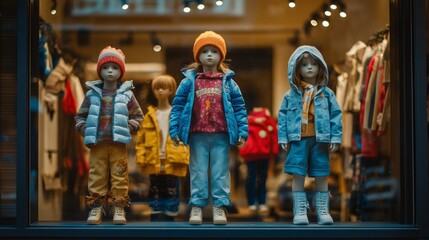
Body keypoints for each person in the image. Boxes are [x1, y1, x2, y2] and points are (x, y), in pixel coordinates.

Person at [169, 31, 248, 225]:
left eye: (214, 51)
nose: (209, 55)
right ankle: (196, 207)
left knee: (221, 172)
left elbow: (239, 107)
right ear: (198, 56)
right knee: (197, 171)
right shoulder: (190, 81)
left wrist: (243, 131)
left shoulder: (228, 82)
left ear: (221, 55)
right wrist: (175, 130)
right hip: (197, 134)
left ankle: (219, 208)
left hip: (221, 135)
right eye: (205, 51)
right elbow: (178, 106)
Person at [75, 46, 144, 225]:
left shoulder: (127, 94)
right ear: (100, 70)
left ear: (121, 70)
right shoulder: (91, 94)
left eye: (114, 67)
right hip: (98, 144)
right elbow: (80, 115)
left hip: (118, 144)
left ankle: (119, 207)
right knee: (96, 175)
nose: (110, 71)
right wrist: (85, 129)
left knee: (120, 175)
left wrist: (128, 128)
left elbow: (138, 116)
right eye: (105, 68)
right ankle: (96, 208)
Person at [278, 45, 342, 225]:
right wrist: (283, 137)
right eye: (304, 64)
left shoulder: (327, 94)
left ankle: (323, 210)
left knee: (321, 175)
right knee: (298, 175)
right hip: (298, 140)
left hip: (320, 140)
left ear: (320, 66)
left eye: (314, 64)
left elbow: (336, 116)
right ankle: (299, 211)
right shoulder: (290, 96)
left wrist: (335, 138)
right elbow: (282, 116)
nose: (309, 67)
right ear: (296, 68)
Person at [135, 74, 189, 221]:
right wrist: (141, 159)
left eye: (164, 88)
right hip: (154, 159)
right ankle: (156, 214)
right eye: (157, 88)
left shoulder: (177, 115)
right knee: (154, 189)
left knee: (172, 190)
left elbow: (185, 138)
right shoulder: (149, 116)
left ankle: (171, 216)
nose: (160, 91)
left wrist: (184, 157)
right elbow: (140, 141)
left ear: (171, 90)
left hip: (173, 159)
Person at [238, 107, 278, 215]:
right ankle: (261, 203)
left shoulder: (248, 119)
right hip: (265, 153)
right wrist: (274, 152)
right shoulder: (269, 120)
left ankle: (252, 203)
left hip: (251, 154)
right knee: (263, 178)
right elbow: (274, 135)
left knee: (251, 177)